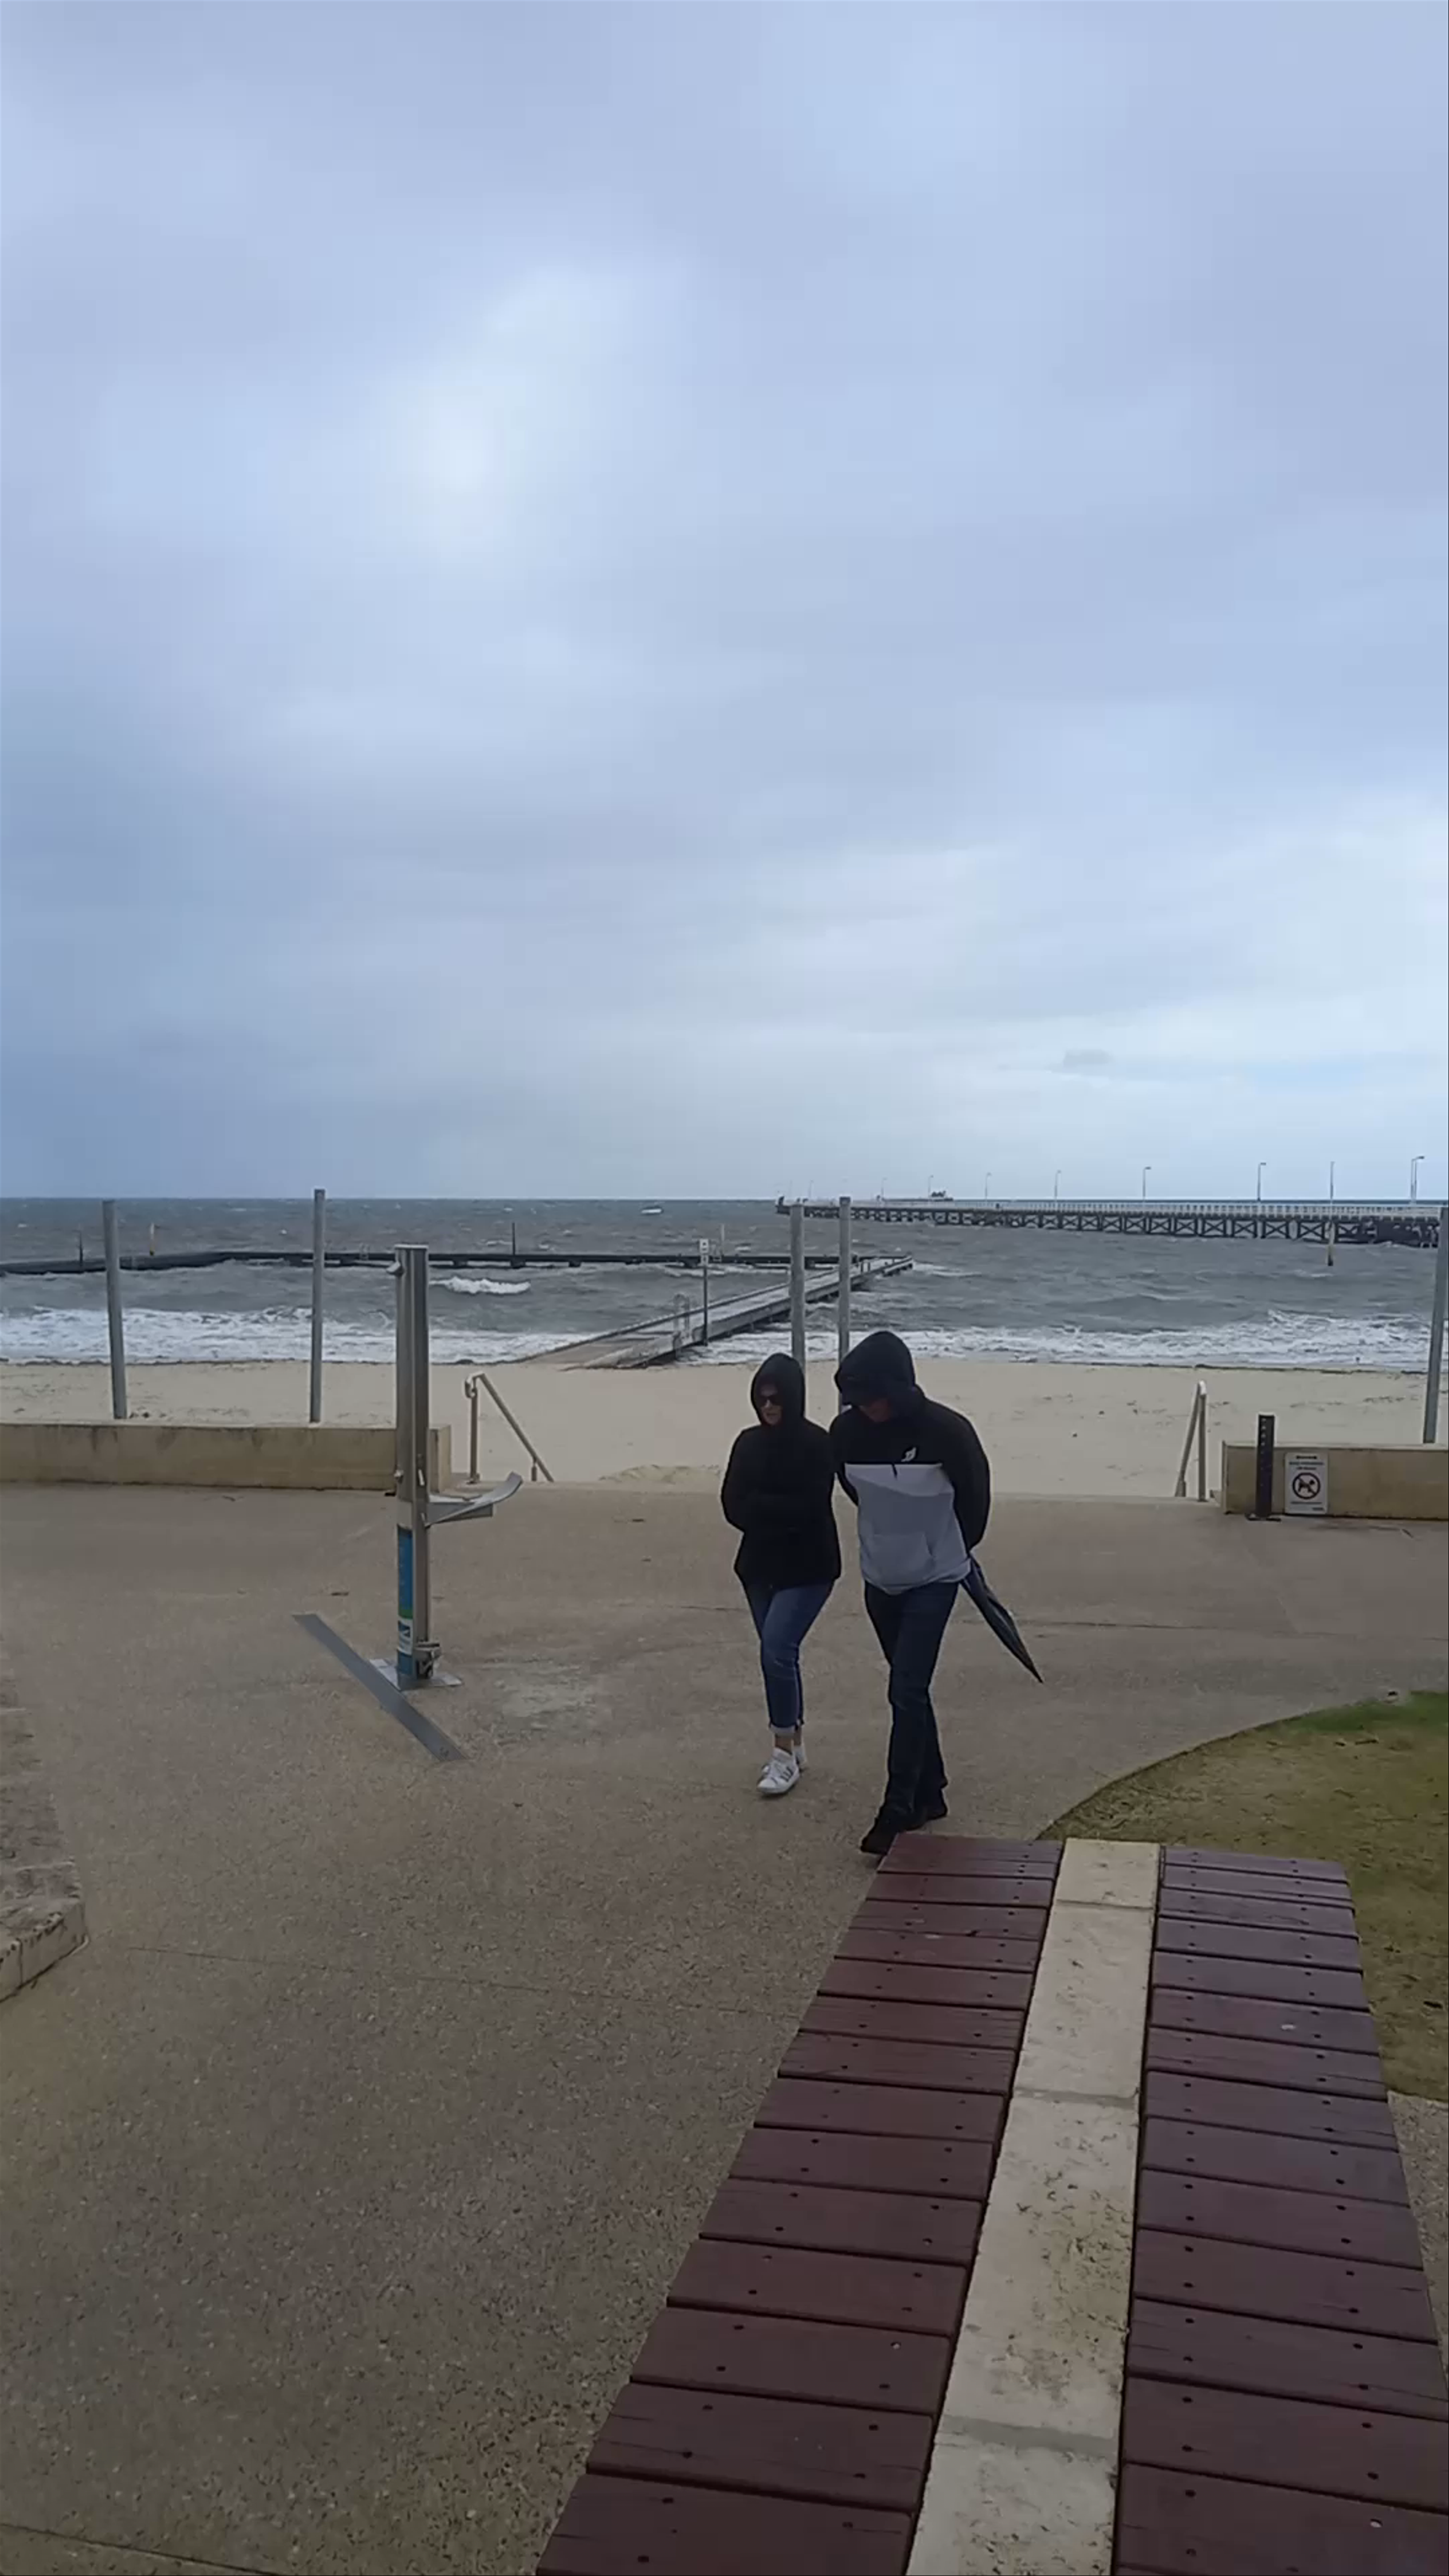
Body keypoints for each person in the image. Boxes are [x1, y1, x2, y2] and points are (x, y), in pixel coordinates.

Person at [831, 1330, 991, 1856]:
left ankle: (897, 1809)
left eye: (875, 1397)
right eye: (860, 1400)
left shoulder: (948, 1431)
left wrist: (941, 1546)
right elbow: (854, 1491)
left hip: (938, 1574)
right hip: (881, 1575)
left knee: (905, 1688)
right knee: (911, 1688)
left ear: (898, 1388)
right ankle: (932, 1790)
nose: (869, 1408)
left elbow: (976, 1503)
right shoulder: (846, 1432)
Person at [721, 1353, 841, 1797]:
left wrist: (762, 1506)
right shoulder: (747, 1442)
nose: (769, 1407)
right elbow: (733, 1503)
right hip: (758, 1566)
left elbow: (810, 1507)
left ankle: (781, 1753)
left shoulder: (817, 1443)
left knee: (776, 1648)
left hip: (809, 1567)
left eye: (777, 1399)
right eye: (762, 1399)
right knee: (780, 1655)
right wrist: (774, 1509)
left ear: (794, 1398)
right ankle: (797, 1739)